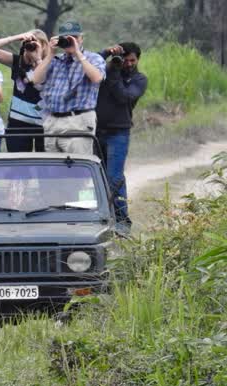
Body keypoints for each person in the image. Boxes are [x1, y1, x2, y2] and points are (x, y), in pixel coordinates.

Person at [32, 20, 106, 154]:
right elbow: (36, 79)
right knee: (54, 170)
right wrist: (50, 54)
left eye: (74, 38)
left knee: (77, 169)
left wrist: (78, 54)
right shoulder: (55, 59)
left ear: (81, 39)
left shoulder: (93, 58)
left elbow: (97, 78)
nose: (70, 42)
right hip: (52, 121)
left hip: (77, 122)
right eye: (66, 38)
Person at [96, 42, 147, 231]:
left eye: (132, 60)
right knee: (97, 177)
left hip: (119, 133)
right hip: (96, 131)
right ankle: (101, 219)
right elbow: (86, 62)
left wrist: (114, 73)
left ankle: (122, 222)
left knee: (114, 177)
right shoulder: (103, 71)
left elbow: (123, 97)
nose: (128, 64)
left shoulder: (139, 79)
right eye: (124, 60)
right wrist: (106, 52)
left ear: (137, 60)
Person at [0, 30, 50, 152]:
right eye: (28, 44)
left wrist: (38, 60)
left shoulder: (52, 63)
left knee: (44, 165)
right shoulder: (18, 61)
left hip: (45, 123)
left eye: (35, 44)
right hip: (18, 122)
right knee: (18, 164)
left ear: (44, 46)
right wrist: (15, 37)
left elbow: (44, 82)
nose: (31, 46)